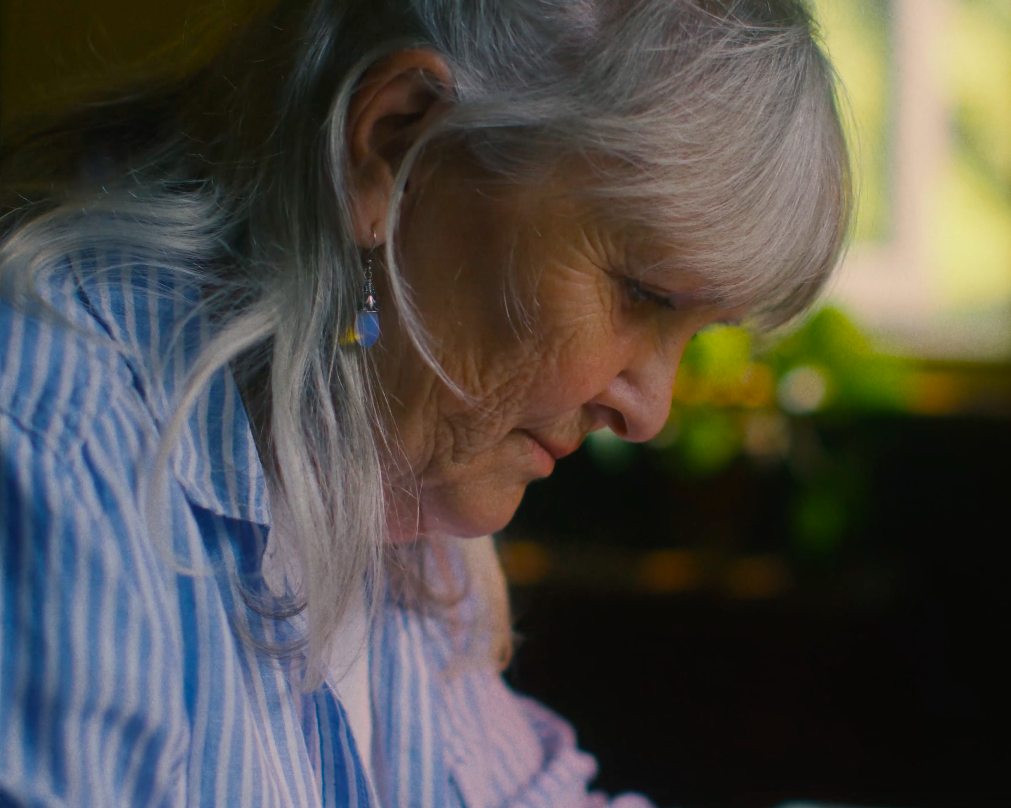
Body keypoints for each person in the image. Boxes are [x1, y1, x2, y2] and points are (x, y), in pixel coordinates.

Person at [0, 0, 852, 805]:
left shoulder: (391, 483)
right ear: (395, 144)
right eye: (642, 294)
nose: (650, 413)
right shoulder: (53, 454)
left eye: (700, 333)